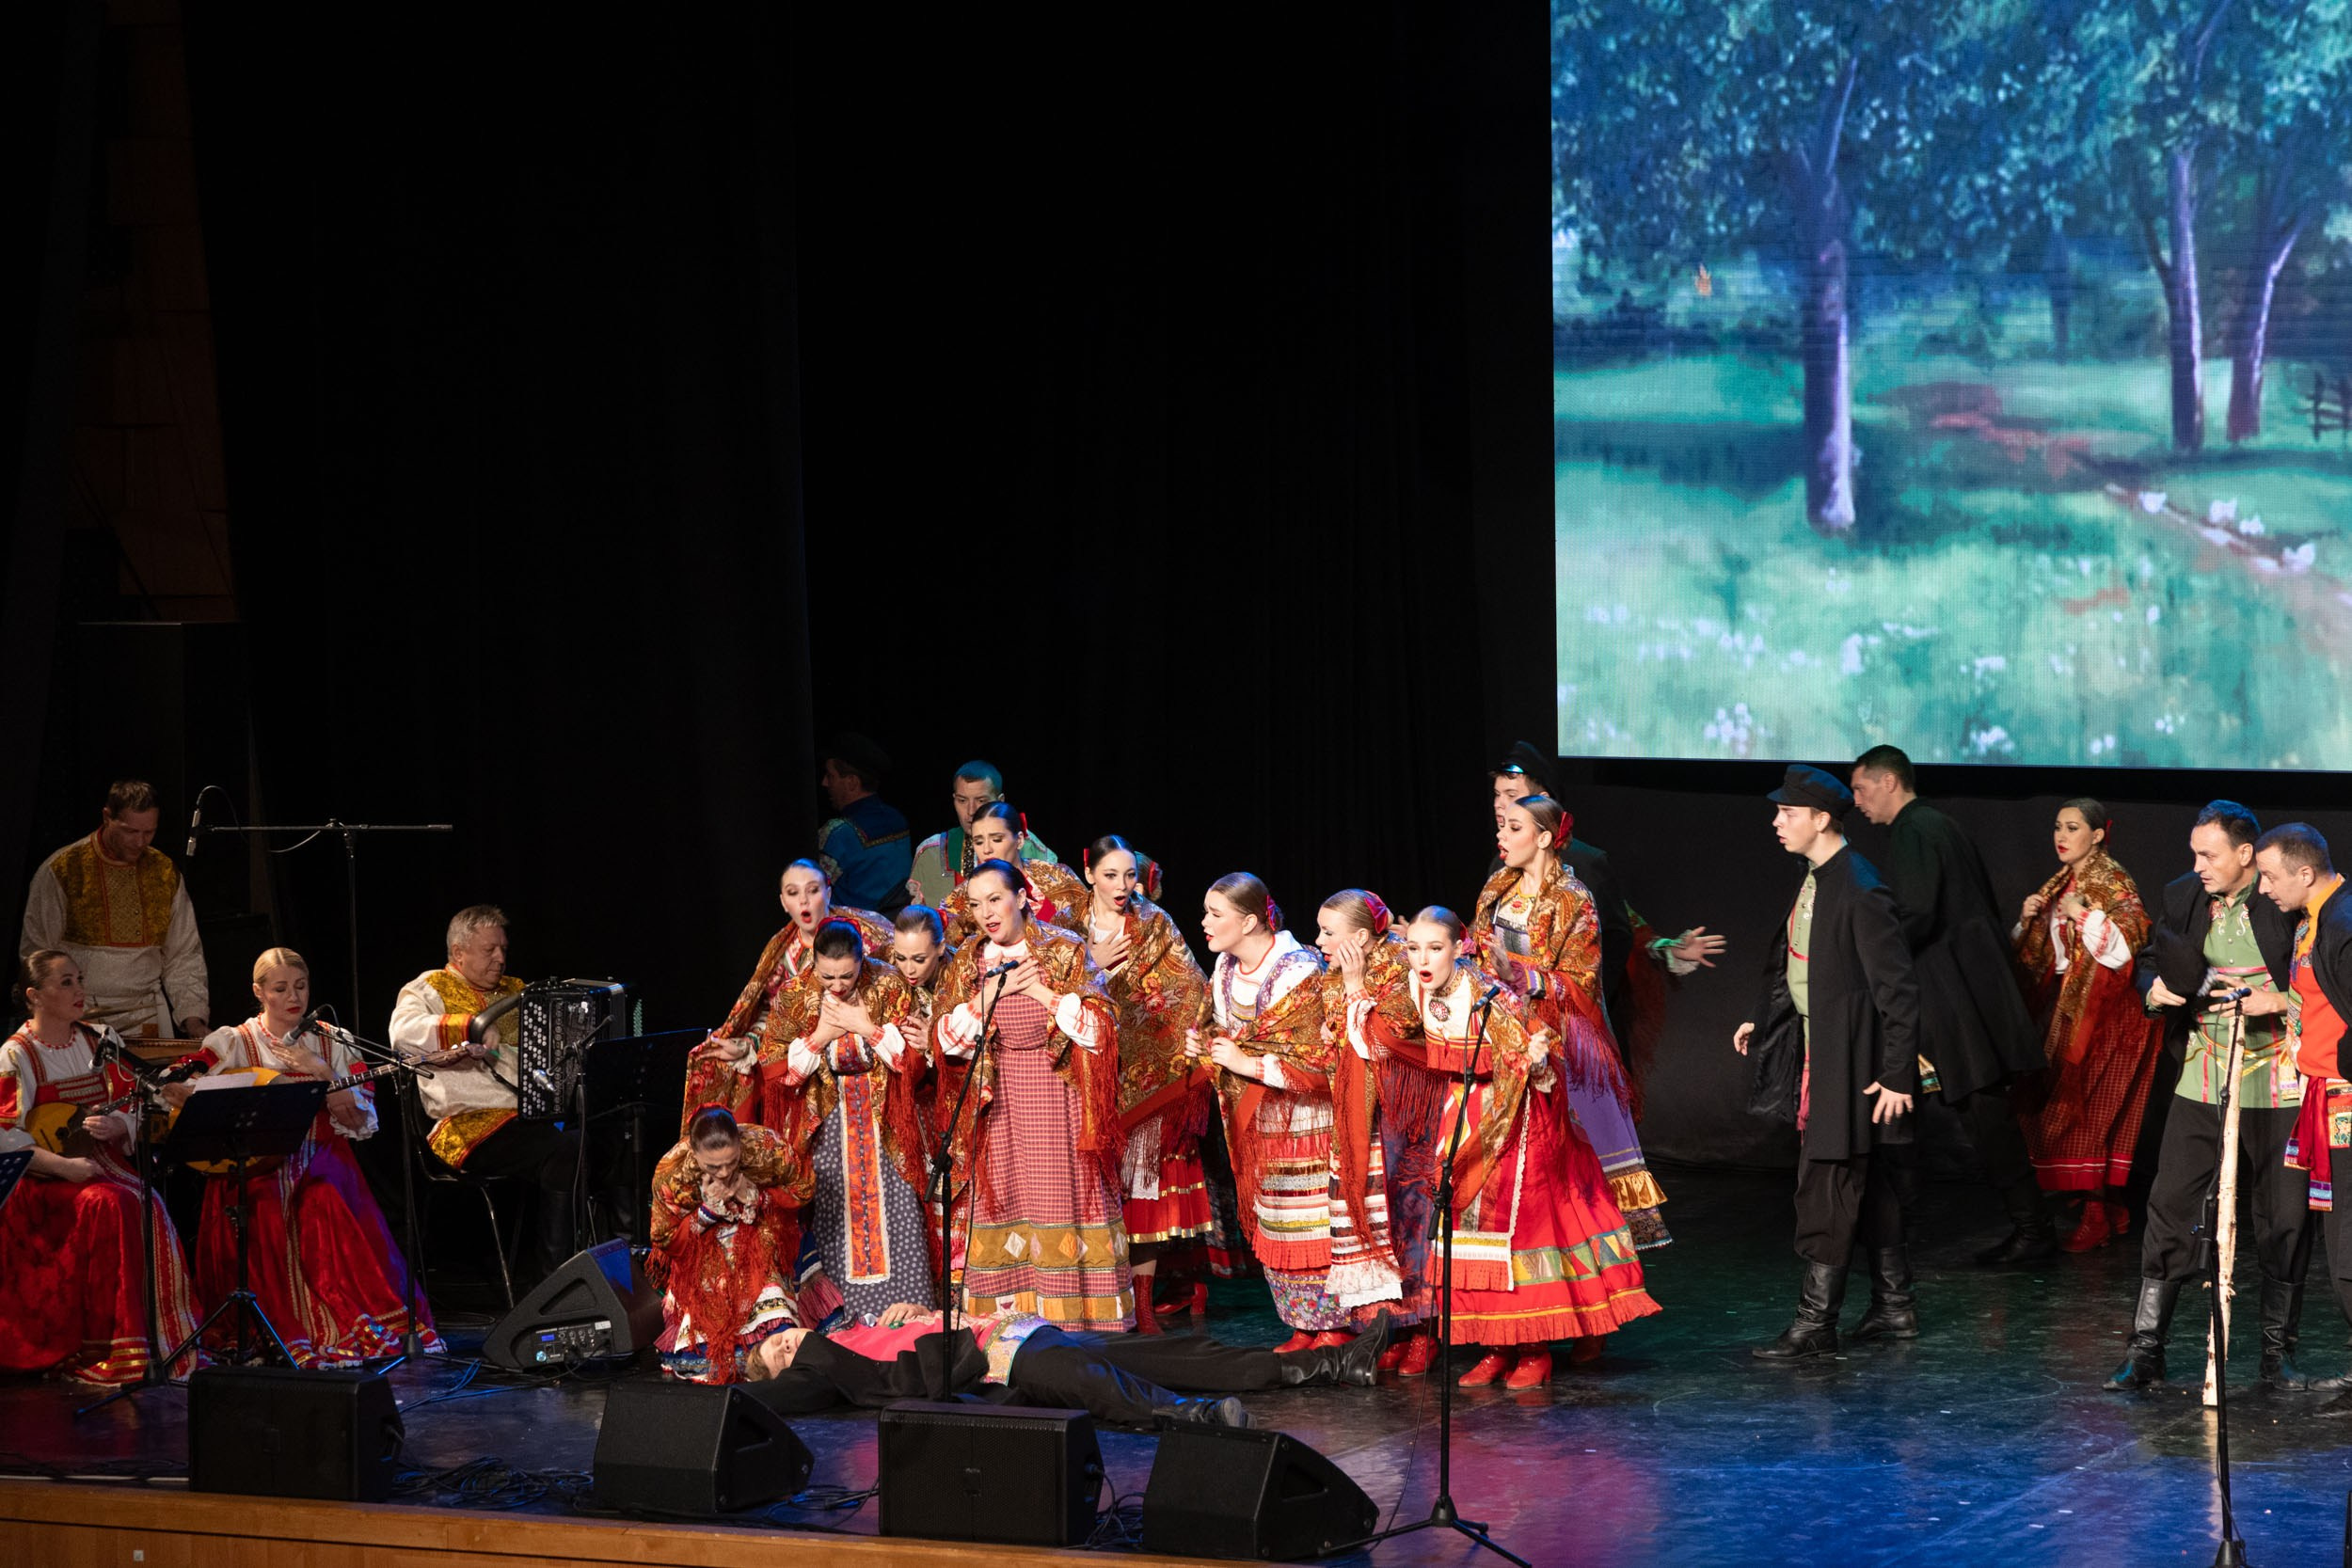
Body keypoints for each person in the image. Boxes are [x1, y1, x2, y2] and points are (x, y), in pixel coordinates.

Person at [1403, 907, 1660, 1388]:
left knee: (1514, 1233)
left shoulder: (1486, 994)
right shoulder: (1417, 987)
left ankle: (1532, 1349)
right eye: (1413, 948)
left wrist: (1529, 1055)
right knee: (1468, 1233)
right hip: (1462, 1116)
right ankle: (1495, 1345)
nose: (1422, 958)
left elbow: (1530, 1055)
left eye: (1434, 948)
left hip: (1514, 1120)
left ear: (1460, 950)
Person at [2107, 804, 2311, 1391]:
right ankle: (2147, 1349)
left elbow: (2318, 978)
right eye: (2194, 854)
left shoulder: (2283, 903)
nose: (2197, 866)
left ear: (2246, 855)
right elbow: (2150, 961)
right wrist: (2157, 989)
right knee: (2170, 1205)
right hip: (2203, 1073)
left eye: (2209, 855)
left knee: (2283, 1218)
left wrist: (2276, 1002)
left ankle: (2278, 1356)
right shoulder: (2183, 895)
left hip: (2277, 1080)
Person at [1736, 765, 1920, 1362]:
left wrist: (1896, 1074)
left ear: (1820, 819)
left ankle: (1816, 1323)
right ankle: (1895, 1308)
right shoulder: (1815, 876)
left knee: (1829, 1181)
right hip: (1824, 1047)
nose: (1775, 821)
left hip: (1854, 1060)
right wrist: (1764, 1024)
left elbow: (1898, 990)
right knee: (1873, 1187)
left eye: (1787, 812)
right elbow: (1802, 962)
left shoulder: (1859, 887)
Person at [190, 947, 441, 1365]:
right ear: (259, 992)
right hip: (258, 1164)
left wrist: (322, 1071)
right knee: (265, 1207)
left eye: (301, 986)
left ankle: (338, 1320)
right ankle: (279, 1326)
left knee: (324, 1201)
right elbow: (186, 1081)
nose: (294, 997)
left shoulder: (329, 1039)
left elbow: (358, 1114)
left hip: (322, 1157)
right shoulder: (236, 1041)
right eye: (281, 988)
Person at [1849, 746, 2049, 1263]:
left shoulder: (1916, 829)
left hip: (1954, 990)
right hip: (1966, 984)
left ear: (1889, 781)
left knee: (1981, 1107)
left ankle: (2032, 1230)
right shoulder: (1939, 825)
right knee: (1953, 1103)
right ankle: (1895, 1220)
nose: (1858, 801)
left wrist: (1870, 955)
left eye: (1860, 789)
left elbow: (1917, 913)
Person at [689, 921, 934, 1326]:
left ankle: (907, 1318)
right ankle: (840, 1321)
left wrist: (865, 1028)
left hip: (883, 1121)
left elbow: (912, 1063)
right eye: (827, 976)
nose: (837, 986)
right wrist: (820, 1036)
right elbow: (773, 1069)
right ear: (814, 965)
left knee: (898, 1211)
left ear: (862, 962)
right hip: (828, 1124)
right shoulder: (795, 995)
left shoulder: (889, 985)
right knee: (834, 1215)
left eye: (847, 975)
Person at [931, 859, 1130, 1329]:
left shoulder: (1062, 950)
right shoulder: (969, 961)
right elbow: (942, 1041)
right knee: (1005, 1199)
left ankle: (1076, 1322)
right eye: (976, 905)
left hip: (1055, 1093)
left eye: (995, 900)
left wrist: (1039, 992)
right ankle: (1011, 1326)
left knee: (1059, 1198)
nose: (986, 913)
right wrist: (984, 1001)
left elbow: (1102, 1031)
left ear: (1021, 898)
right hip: (997, 1099)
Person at [1470, 795, 1669, 1254]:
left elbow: (1581, 982)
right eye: (1501, 825)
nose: (1501, 835)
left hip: (1560, 1035)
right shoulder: (1497, 886)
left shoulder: (1573, 899)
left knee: (1571, 1151)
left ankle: (1587, 1248)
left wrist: (1517, 972)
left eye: (1513, 827)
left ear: (1543, 838)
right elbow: (1479, 948)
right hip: (1505, 1027)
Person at [0, 950, 200, 1385]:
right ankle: (107, 1342)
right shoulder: (17, 1055)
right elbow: (9, 1138)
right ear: (34, 995)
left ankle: (157, 1344)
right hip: (43, 1177)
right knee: (111, 1204)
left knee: (146, 1200)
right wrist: (65, 1168)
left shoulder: (99, 1040)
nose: (79, 990)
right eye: (66, 982)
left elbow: (135, 1103)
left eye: (79, 980)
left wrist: (118, 1124)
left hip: (103, 1161)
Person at [740, 1301, 1393, 1431]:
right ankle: (1193, 1419)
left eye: (779, 1337)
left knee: (1180, 1351)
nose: (785, 1340)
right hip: (1006, 1361)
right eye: (776, 1351)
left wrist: (920, 1311)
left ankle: (1334, 1365)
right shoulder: (828, 1364)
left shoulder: (860, 1325)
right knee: (1093, 1384)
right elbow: (786, 1393)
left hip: (1026, 1331)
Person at [1489, 744, 1724, 1104]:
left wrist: (1583, 999)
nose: (1501, 805)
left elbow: (1618, 934)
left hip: (1575, 1020)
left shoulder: (1584, 869)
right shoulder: (1499, 870)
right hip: (1515, 1023)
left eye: (1512, 796)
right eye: (1497, 796)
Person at [389, 905, 604, 1280]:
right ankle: (559, 1280)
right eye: (490, 950)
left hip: (530, 1114)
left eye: (503, 948)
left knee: (612, 1132)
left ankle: (616, 1260)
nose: (501, 958)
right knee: (567, 1149)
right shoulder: (428, 987)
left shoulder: (518, 991)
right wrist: (467, 1025)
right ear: (459, 952)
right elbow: (403, 1034)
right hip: (467, 1124)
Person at [1191, 873, 1348, 1353]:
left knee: (1314, 1218)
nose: (1204, 923)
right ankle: (1302, 1323)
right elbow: (1217, 1028)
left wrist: (1245, 1061)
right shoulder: (1223, 969)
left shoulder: (1295, 969)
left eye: (1215, 914)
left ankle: (1335, 1324)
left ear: (1250, 920)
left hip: (1305, 1118)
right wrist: (1203, 1044)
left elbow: (1315, 1057)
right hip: (1259, 1122)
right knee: (1277, 1217)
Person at [2010, 799, 2161, 1251]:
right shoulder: (2061, 883)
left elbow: (2127, 945)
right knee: (2056, 1109)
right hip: (2070, 1008)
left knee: (2090, 1114)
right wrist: (2027, 920)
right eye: (2058, 826)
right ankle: (2103, 1207)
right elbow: (2040, 955)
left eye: (2072, 828)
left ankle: (2097, 1212)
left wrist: (2081, 912)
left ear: (2096, 835)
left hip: (2110, 1015)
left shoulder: (2110, 880)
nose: (2061, 836)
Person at [1083, 836, 1216, 1335]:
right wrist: (1092, 960)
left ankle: (1141, 1299)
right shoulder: (1071, 925)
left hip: (1149, 1074)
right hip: (1094, 1073)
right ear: (1091, 873)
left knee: (1144, 1192)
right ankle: (1098, 1293)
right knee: (1097, 1192)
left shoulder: (1154, 923)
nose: (1121, 886)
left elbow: (1188, 987)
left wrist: (1188, 1048)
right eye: (1111, 875)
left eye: (1130, 876)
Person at [2244, 825, 2352, 1410]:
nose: (2262, 888)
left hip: (2348, 1100)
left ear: (2305, 874)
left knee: (2348, 1250)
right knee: (2340, 1244)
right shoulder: (2315, 919)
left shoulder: (2343, 923)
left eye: (2269, 876)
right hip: (2323, 1097)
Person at [1317, 889, 1438, 1373]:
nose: (1319, 940)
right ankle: (1389, 1327)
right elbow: (1335, 1032)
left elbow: (1389, 1038)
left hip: (1401, 1116)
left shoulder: (1399, 967)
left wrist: (1355, 985)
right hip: (1356, 1113)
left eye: (1329, 932)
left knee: (1408, 1218)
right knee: (1371, 1216)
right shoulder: (1335, 974)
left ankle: (1424, 1332)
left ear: (1362, 938)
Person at [682, 863, 899, 1123]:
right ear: (784, 902)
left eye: (812, 890)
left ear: (828, 892)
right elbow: (770, 1014)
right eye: (793, 893)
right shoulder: (781, 951)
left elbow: (902, 979)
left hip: (870, 1064)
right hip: (808, 1069)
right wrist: (749, 1043)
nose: (804, 901)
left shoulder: (869, 934)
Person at [20, 780, 209, 1041]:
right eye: (131, 832)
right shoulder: (64, 870)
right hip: (80, 1015)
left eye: (149, 832)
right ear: (107, 817)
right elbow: (37, 956)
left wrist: (193, 1018)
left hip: (147, 1013)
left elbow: (184, 955)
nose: (141, 842)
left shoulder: (164, 872)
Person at [647, 1106, 810, 1382]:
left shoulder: (765, 1146)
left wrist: (759, 1198)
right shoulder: (671, 1173)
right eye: (713, 1166)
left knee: (761, 1252)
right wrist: (705, 1214)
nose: (724, 1172)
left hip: (760, 1226)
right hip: (701, 1240)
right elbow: (664, 1238)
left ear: (739, 1143)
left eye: (731, 1162)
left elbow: (803, 1188)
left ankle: (770, 1336)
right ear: (694, 1153)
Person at [906, 761, 1060, 909]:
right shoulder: (931, 852)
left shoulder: (1033, 850)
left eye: (981, 800)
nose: (971, 811)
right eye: (962, 800)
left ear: (1000, 801)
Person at [939, 802, 1087, 943]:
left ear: (1020, 840)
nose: (986, 849)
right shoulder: (961, 899)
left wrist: (1091, 957)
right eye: (978, 842)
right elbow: (946, 955)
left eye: (997, 839)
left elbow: (1093, 925)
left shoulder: (1057, 876)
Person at [817, 734, 913, 916]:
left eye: (831, 776)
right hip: (897, 931)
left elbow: (812, 892)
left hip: (854, 937)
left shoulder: (838, 833)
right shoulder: (898, 819)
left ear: (852, 782)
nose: (825, 782)